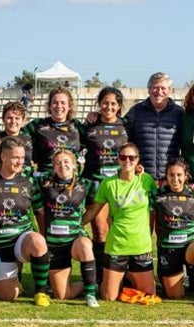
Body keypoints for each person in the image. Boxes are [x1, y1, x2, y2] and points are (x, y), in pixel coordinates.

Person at [0, 137, 51, 306]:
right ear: (3, 157)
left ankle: (41, 291)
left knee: (37, 241)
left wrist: (45, 239)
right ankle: (13, 276)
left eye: (22, 157)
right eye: (15, 157)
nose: (20, 161)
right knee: (7, 295)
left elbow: (40, 211)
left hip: (22, 239)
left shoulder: (29, 181)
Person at [82, 143, 157, 301]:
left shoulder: (147, 180)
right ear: (118, 159)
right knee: (109, 296)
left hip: (140, 246)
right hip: (116, 245)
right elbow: (93, 210)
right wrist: (76, 225)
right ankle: (119, 277)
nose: (127, 161)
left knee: (150, 294)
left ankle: (129, 275)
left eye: (131, 157)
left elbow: (162, 199)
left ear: (138, 160)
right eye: (123, 157)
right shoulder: (108, 184)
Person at [34, 150, 99, 307]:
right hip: (54, 244)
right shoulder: (44, 181)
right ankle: (91, 282)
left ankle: (90, 294)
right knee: (62, 295)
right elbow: (25, 172)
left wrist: (82, 222)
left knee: (85, 244)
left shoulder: (86, 184)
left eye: (66, 162)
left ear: (74, 164)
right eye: (58, 163)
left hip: (74, 238)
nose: (62, 165)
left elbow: (95, 206)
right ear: (54, 166)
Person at [81, 87, 128, 284]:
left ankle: (117, 273)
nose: (109, 107)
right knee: (100, 231)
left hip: (119, 186)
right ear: (99, 104)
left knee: (117, 231)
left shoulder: (127, 127)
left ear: (119, 107)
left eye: (113, 103)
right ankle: (100, 275)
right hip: (95, 185)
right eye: (105, 103)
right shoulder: (89, 126)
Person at [153, 158, 194, 306]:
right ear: (166, 176)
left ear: (186, 176)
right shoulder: (157, 195)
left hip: (189, 248)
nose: (175, 179)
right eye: (171, 175)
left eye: (179, 175)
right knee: (176, 296)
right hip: (167, 251)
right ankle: (178, 277)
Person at [124, 72, 184, 180]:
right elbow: (121, 132)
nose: (159, 92)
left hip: (169, 179)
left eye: (163, 88)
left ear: (169, 90)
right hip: (141, 176)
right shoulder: (136, 111)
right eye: (155, 88)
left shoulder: (179, 113)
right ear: (149, 90)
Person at [24, 87, 83, 179]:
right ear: (49, 106)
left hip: (72, 181)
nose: (59, 106)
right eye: (55, 102)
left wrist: (96, 116)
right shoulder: (38, 125)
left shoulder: (76, 125)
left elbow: (96, 139)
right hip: (47, 180)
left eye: (63, 103)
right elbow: (16, 136)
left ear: (69, 106)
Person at [0, 101, 33, 176]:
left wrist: (1, 166)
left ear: (23, 120)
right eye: (9, 118)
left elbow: (29, 165)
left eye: (17, 118)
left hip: (23, 183)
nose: (13, 121)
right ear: (3, 119)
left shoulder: (29, 139)